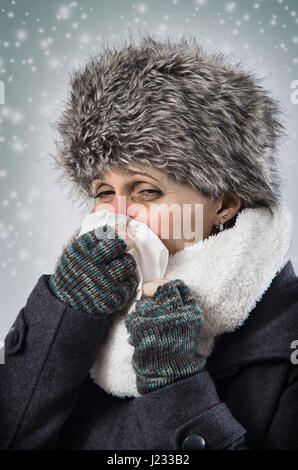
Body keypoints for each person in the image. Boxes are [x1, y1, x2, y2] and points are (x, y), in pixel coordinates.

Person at [1, 33, 297, 450]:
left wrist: (176, 384)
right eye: (104, 192)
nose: (118, 215)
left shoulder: (287, 332)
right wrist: (65, 318)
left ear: (225, 204)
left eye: (147, 191)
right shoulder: (83, 301)